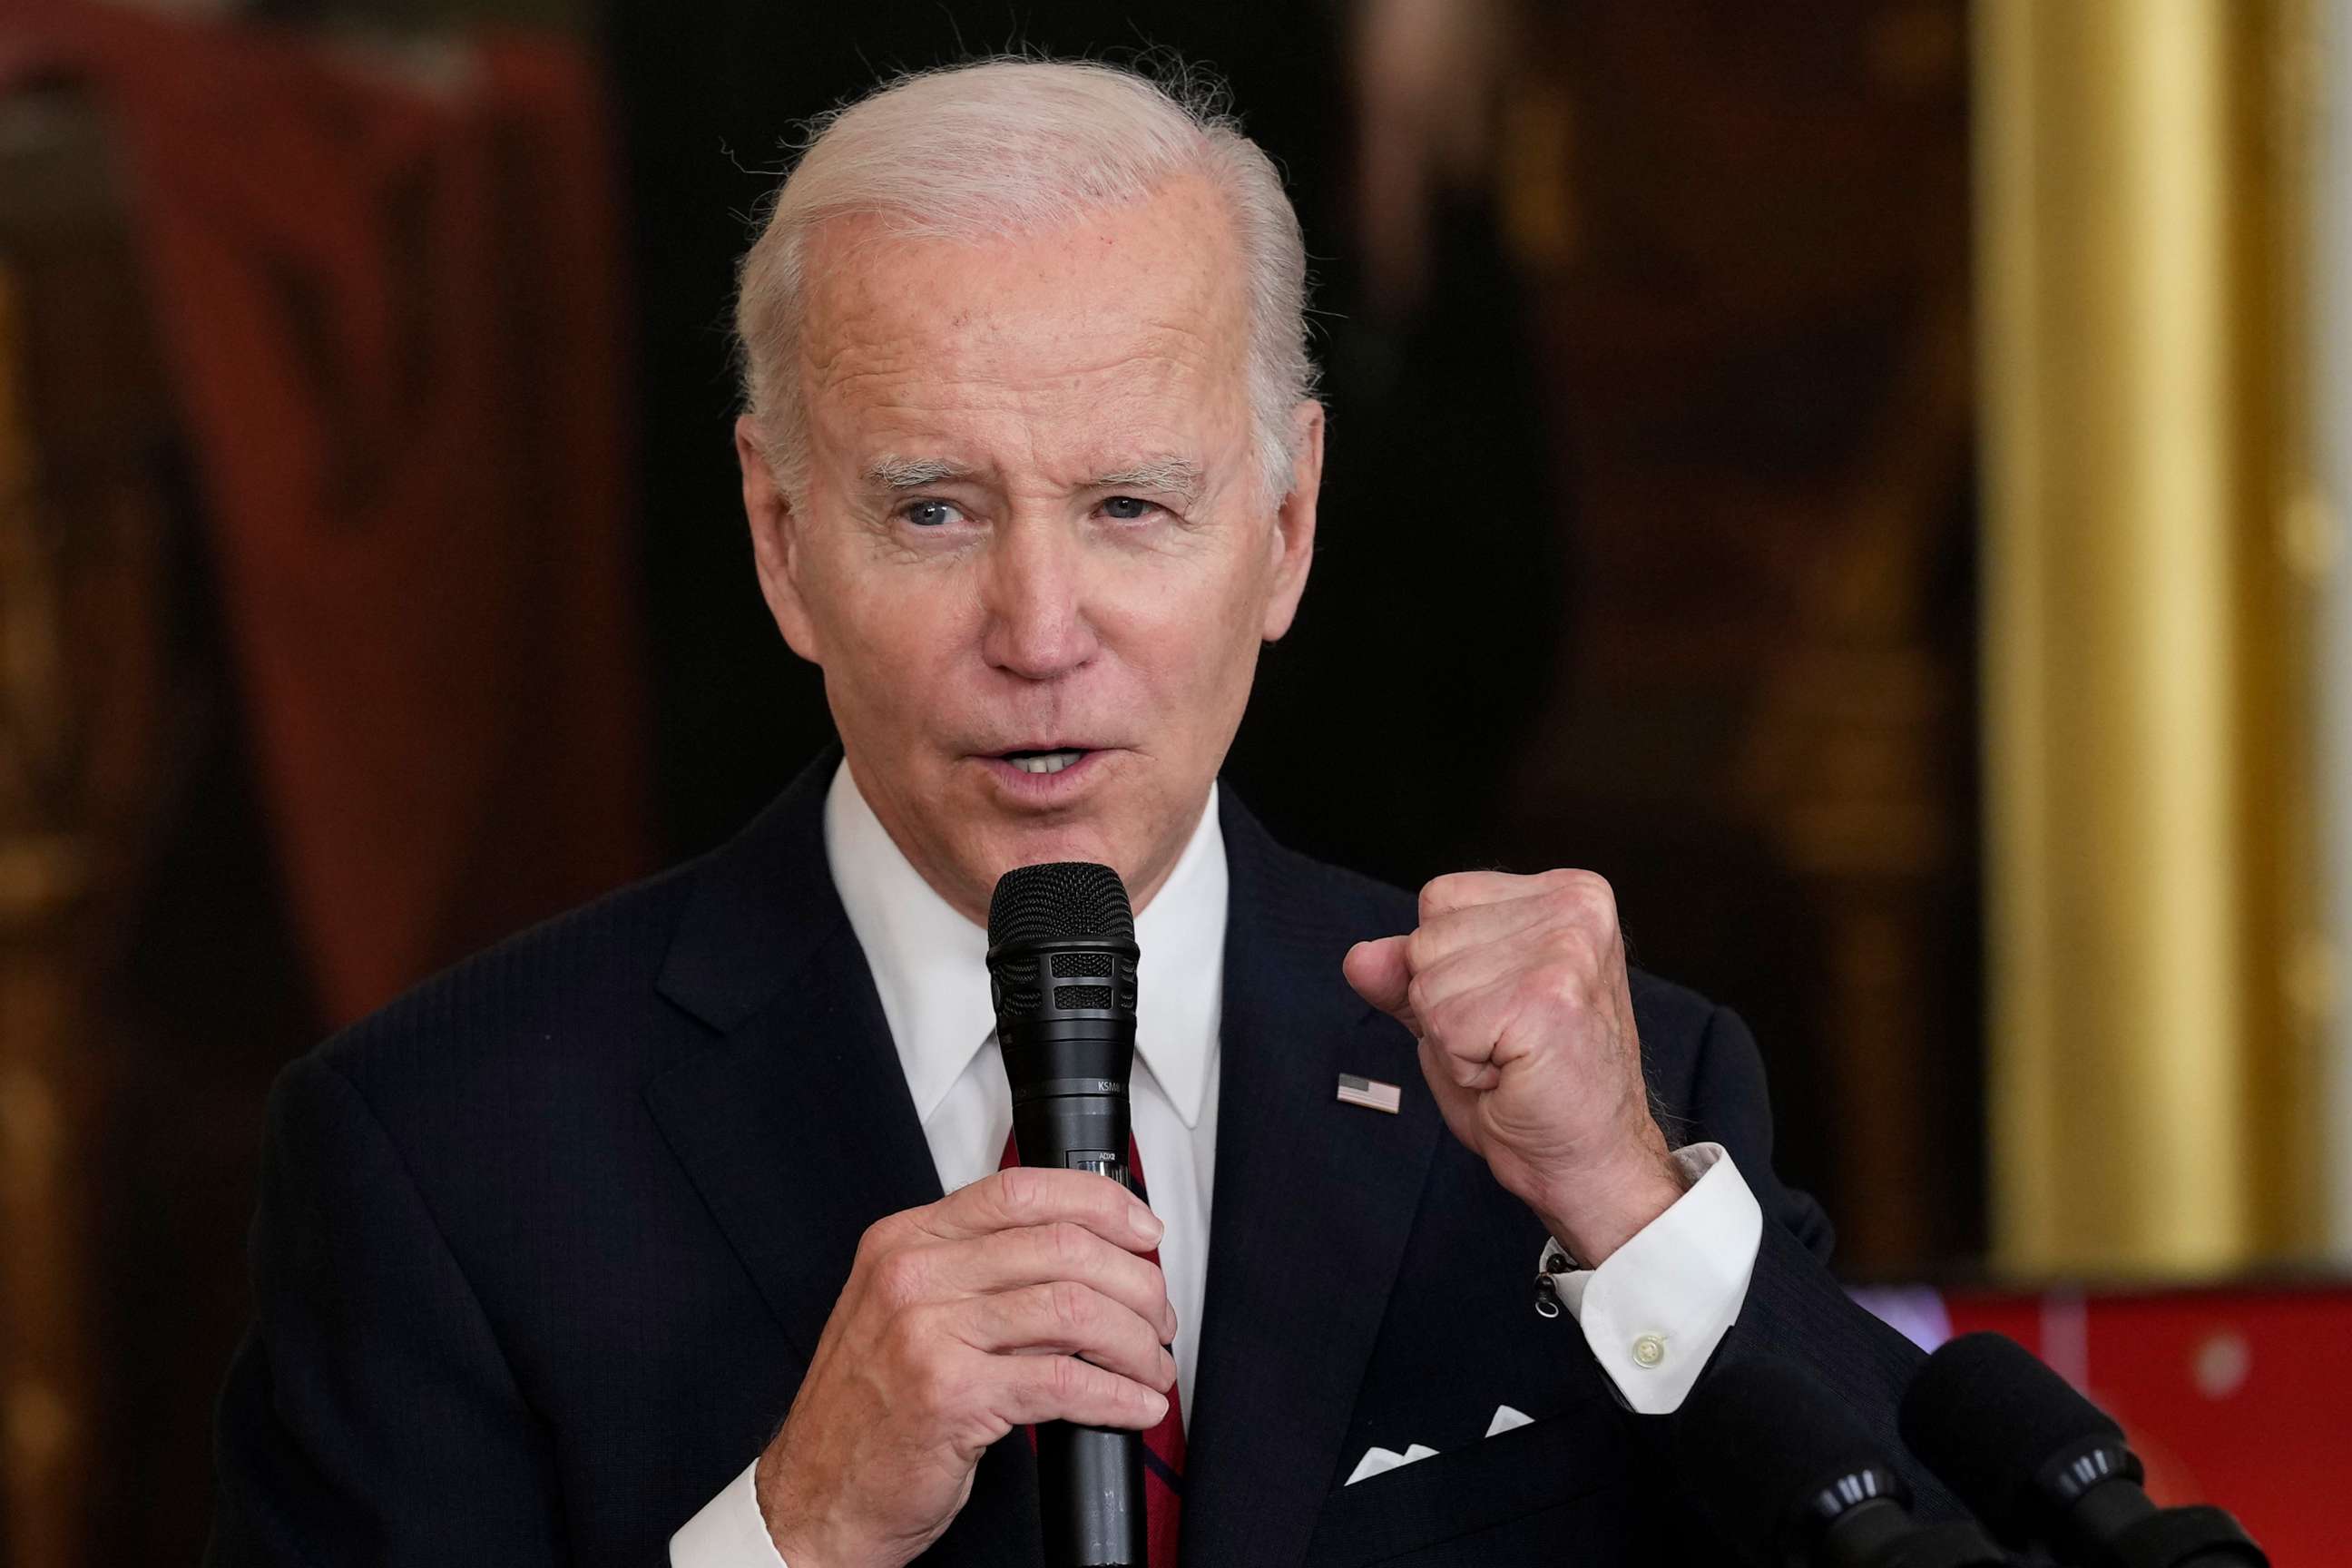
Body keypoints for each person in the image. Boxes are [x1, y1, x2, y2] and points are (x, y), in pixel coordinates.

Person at [206, 59, 1939, 1568]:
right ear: (779, 537)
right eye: (937, 512)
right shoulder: (444, 1158)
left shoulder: (1612, 1103)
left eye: (1128, 504)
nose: (1040, 634)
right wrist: (791, 1535)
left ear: (1284, 527)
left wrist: (1632, 1215)